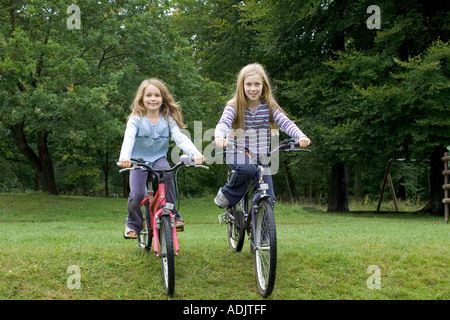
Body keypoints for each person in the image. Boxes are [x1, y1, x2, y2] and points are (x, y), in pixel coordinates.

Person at [214, 63, 311, 208]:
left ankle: (260, 220)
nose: (253, 89)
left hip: (260, 155)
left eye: (257, 84)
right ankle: (226, 194)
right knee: (248, 168)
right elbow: (224, 122)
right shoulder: (234, 105)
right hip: (235, 150)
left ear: (263, 85)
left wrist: (300, 136)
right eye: (248, 84)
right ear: (242, 86)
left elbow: (285, 122)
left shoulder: (269, 106)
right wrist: (219, 137)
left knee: (269, 198)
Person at [119, 78, 204, 239]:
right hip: (137, 161)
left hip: (158, 159)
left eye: (157, 95)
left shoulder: (167, 119)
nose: (153, 99)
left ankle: (173, 214)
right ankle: (134, 224)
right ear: (142, 99)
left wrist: (195, 154)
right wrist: (124, 157)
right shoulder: (136, 120)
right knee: (137, 194)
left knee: (168, 175)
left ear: (163, 99)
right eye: (149, 95)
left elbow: (180, 137)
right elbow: (129, 139)